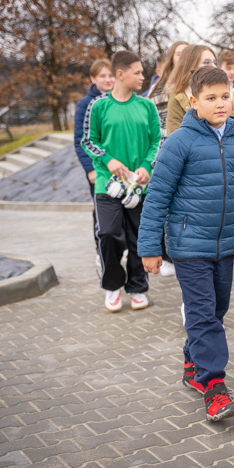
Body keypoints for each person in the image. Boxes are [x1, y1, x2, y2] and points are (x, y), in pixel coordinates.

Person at [138, 66, 234, 422]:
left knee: (215, 312)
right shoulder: (181, 141)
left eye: (226, 96)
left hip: (225, 246)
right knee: (205, 316)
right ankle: (215, 388)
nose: (221, 104)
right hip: (188, 246)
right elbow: (157, 196)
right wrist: (149, 248)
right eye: (211, 98)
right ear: (194, 101)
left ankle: (193, 364)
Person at [82, 50, 161, 312]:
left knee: (139, 238)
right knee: (108, 234)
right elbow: (89, 141)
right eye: (137, 72)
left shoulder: (147, 106)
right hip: (108, 184)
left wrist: (147, 165)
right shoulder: (99, 106)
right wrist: (108, 160)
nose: (142, 77)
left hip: (139, 185)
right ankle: (113, 286)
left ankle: (138, 287)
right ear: (120, 74)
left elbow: (156, 141)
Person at [145, 40, 189, 277]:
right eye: (178, 53)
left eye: (186, 53)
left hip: (190, 148)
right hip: (165, 146)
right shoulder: (159, 89)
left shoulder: (195, 86)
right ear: (172, 57)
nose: (182, 58)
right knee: (166, 202)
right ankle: (167, 250)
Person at [74, 58, 115, 256]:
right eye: (102, 76)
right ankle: (102, 252)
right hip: (98, 168)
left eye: (111, 75)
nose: (108, 80)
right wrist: (90, 168)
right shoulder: (85, 104)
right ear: (93, 78)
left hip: (121, 165)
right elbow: (80, 139)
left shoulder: (121, 99)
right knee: (102, 212)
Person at [165, 45, 217, 136]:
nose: (213, 67)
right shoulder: (178, 99)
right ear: (191, 65)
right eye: (206, 62)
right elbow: (176, 140)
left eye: (215, 62)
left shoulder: (230, 96)